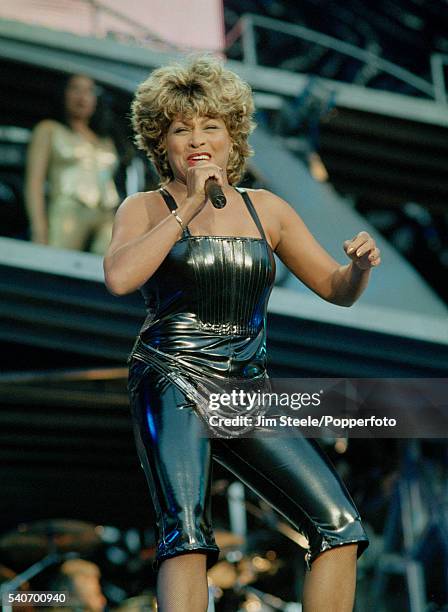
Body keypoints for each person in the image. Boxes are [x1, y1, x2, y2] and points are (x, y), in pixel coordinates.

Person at [104, 55, 381, 612]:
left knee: (340, 526)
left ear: (234, 140)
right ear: (164, 145)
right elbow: (119, 277)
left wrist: (358, 269)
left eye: (211, 126)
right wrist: (186, 208)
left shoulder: (268, 211)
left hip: (245, 387)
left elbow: (334, 288)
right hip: (172, 376)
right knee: (185, 533)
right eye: (183, 129)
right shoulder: (145, 208)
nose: (198, 139)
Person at [25, 74, 121, 254]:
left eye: (89, 91)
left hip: (106, 213)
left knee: (108, 267)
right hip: (67, 209)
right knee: (56, 263)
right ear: (64, 94)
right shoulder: (49, 129)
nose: (82, 96)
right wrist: (39, 228)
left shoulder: (105, 140)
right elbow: (34, 183)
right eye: (75, 89)